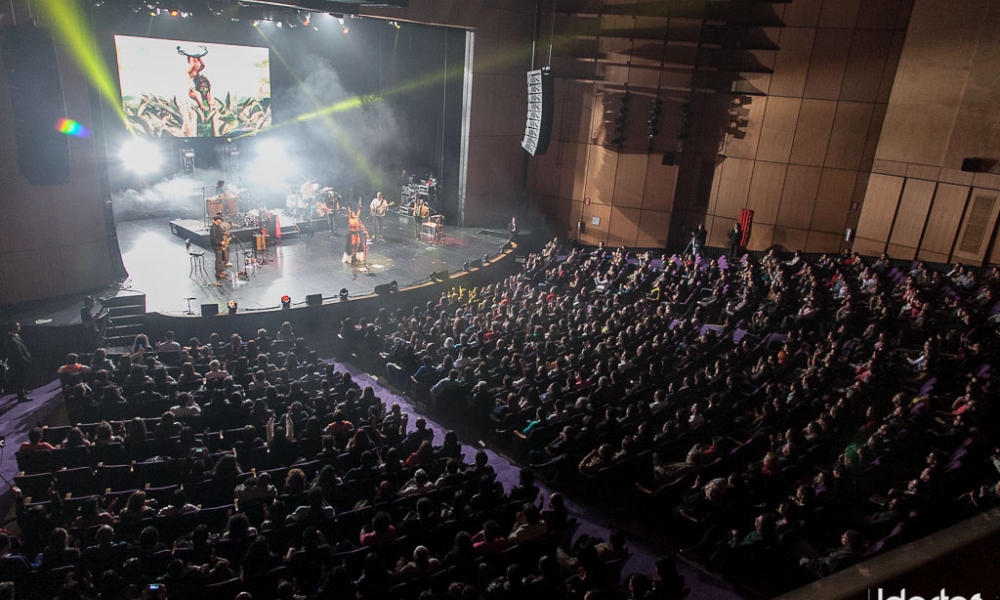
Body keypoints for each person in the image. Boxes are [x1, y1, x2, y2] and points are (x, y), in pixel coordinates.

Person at [5, 322, 32, 402]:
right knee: (20, 379)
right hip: (18, 363)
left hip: (20, 362)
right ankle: (21, 396)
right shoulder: (11, 339)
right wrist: (24, 361)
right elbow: (17, 353)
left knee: (23, 378)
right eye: (18, 326)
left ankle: (22, 391)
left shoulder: (15, 337)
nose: (19, 328)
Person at [210, 213, 229, 282]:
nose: (221, 221)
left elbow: (220, 233)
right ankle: (218, 273)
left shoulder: (217, 226)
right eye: (220, 220)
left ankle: (221, 271)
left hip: (220, 245)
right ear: (216, 220)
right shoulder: (213, 228)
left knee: (221, 259)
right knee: (218, 260)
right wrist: (221, 242)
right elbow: (213, 239)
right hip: (216, 246)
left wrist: (224, 234)